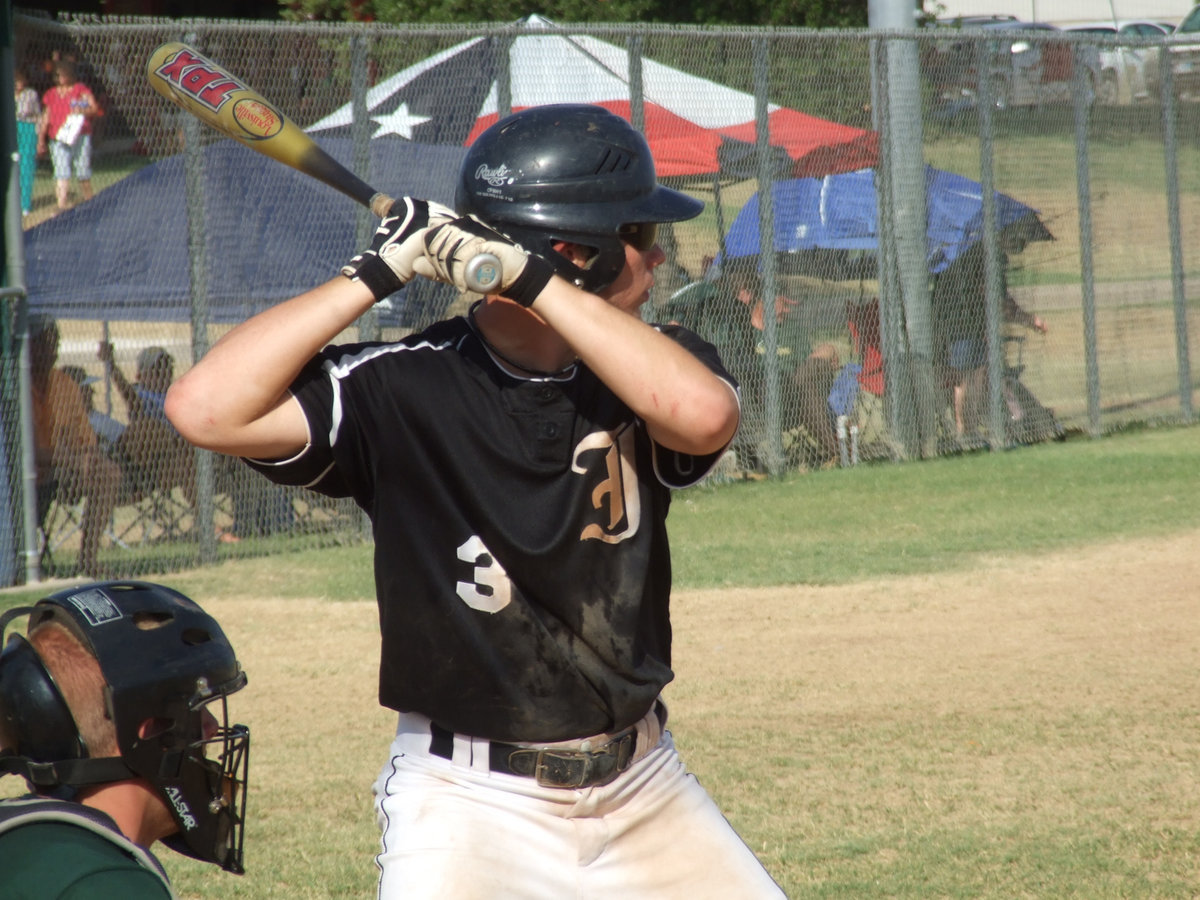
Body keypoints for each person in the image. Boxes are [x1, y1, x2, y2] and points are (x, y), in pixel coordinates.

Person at [165, 104, 783, 898]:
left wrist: (529, 278)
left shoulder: (658, 362)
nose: (658, 255)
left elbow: (703, 417)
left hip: (643, 789)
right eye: (636, 234)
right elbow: (204, 409)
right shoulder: (401, 384)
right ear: (579, 251)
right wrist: (377, 272)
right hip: (468, 804)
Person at [0, 580, 251, 895]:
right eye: (198, 709)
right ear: (151, 730)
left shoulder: (15, 836)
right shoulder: (107, 885)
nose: (213, 727)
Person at [29, 316, 121, 576]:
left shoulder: (65, 385)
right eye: (46, 342)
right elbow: (31, 451)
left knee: (109, 472)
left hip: (64, 471)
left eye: (55, 342)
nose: (53, 349)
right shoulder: (16, 383)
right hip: (26, 477)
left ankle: (88, 559)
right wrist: (71, 461)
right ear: (31, 345)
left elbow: (85, 440)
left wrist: (88, 459)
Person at [931, 241, 1048, 440]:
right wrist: (1030, 320)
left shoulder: (953, 256)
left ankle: (968, 428)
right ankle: (968, 429)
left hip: (953, 331)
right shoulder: (986, 259)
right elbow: (1002, 304)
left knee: (968, 378)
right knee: (972, 377)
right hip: (966, 329)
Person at [36, 59, 100, 213]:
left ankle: (89, 200)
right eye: (56, 75)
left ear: (69, 74)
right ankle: (61, 205)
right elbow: (46, 116)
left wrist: (81, 110)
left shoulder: (80, 89)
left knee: (82, 169)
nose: (58, 77)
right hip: (58, 137)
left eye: (61, 74)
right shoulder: (51, 94)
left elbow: (94, 108)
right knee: (61, 171)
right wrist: (41, 139)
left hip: (79, 135)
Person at [13, 68, 41, 217]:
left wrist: (39, 136)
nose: (18, 84)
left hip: (28, 127)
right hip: (11, 128)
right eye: (15, 81)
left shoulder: (31, 94)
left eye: (20, 81)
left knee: (26, 166)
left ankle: (25, 204)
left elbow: (38, 115)